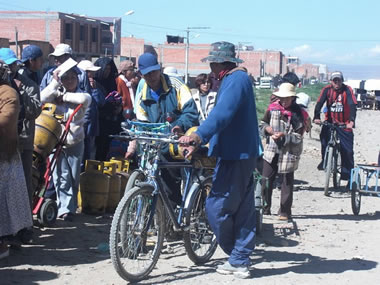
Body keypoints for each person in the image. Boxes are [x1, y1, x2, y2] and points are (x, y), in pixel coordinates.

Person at [178, 41, 261, 278]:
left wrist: (198, 135)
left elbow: (222, 114)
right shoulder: (234, 79)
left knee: (216, 207)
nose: (211, 70)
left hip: (236, 154)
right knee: (243, 209)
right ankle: (240, 259)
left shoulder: (236, 80)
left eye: (212, 64)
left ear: (219, 63)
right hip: (241, 152)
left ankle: (236, 255)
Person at [128, 52, 199, 205]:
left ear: (159, 69)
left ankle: (193, 211)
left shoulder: (176, 85)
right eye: (147, 74)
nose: (151, 76)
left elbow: (191, 112)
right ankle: (167, 222)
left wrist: (179, 125)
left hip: (182, 142)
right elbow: (143, 124)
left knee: (190, 182)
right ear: (141, 74)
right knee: (167, 188)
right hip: (161, 145)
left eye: (154, 71)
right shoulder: (142, 95)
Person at [41, 59, 91, 221]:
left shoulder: (82, 95)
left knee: (73, 176)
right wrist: (55, 82)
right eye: (65, 78)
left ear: (78, 79)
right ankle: (64, 209)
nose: (69, 81)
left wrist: (64, 97)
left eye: (72, 78)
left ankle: (71, 206)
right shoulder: (54, 94)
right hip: (56, 141)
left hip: (75, 141)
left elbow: (84, 100)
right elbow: (42, 97)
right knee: (60, 176)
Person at [0, 48, 41, 244]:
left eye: (13, 64)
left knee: (23, 185)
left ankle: (25, 228)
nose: (12, 68)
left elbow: (34, 110)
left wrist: (20, 94)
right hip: (9, 143)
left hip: (22, 139)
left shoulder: (26, 85)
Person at [260, 83, 307, 221]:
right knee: (266, 179)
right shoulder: (272, 109)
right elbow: (262, 123)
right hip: (271, 150)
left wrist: (284, 136)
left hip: (289, 151)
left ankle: (285, 211)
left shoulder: (299, 114)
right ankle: (264, 207)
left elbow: (298, 137)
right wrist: (268, 130)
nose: (284, 101)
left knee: (286, 181)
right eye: (282, 98)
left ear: (293, 98)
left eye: (287, 98)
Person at [313, 71, 357, 187]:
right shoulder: (326, 90)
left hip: (344, 123)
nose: (337, 83)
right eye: (334, 80)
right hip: (330, 122)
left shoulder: (347, 90)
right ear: (331, 81)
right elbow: (319, 103)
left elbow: (352, 105)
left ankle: (348, 177)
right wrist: (316, 117)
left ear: (342, 81)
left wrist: (351, 121)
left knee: (347, 151)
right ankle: (325, 160)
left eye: (339, 80)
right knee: (323, 139)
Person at [93, 57, 122, 161]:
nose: (107, 72)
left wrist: (118, 107)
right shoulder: (94, 83)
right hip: (98, 123)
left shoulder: (111, 82)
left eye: (109, 69)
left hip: (110, 122)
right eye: (105, 69)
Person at [77, 60, 103, 167]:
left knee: (89, 154)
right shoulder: (78, 86)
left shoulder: (94, 85)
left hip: (91, 127)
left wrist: (95, 89)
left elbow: (101, 102)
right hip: (81, 127)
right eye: (89, 72)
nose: (92, 75)